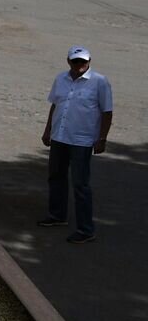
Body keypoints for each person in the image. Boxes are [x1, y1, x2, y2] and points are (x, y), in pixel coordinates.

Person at [38, 45, 113, 244]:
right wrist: (47, 131)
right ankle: (57, 215)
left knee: (81, 184)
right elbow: (56, 104)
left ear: (89, 61)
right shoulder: (60, 79)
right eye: (75, 61)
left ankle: (86, 229)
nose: (79, 65)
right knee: (56, 177)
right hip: (60, 136)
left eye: (83, 61)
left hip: (82, 140)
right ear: (68, 61)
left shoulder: (99, 82)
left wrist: (102, 138)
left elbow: (107, 112)